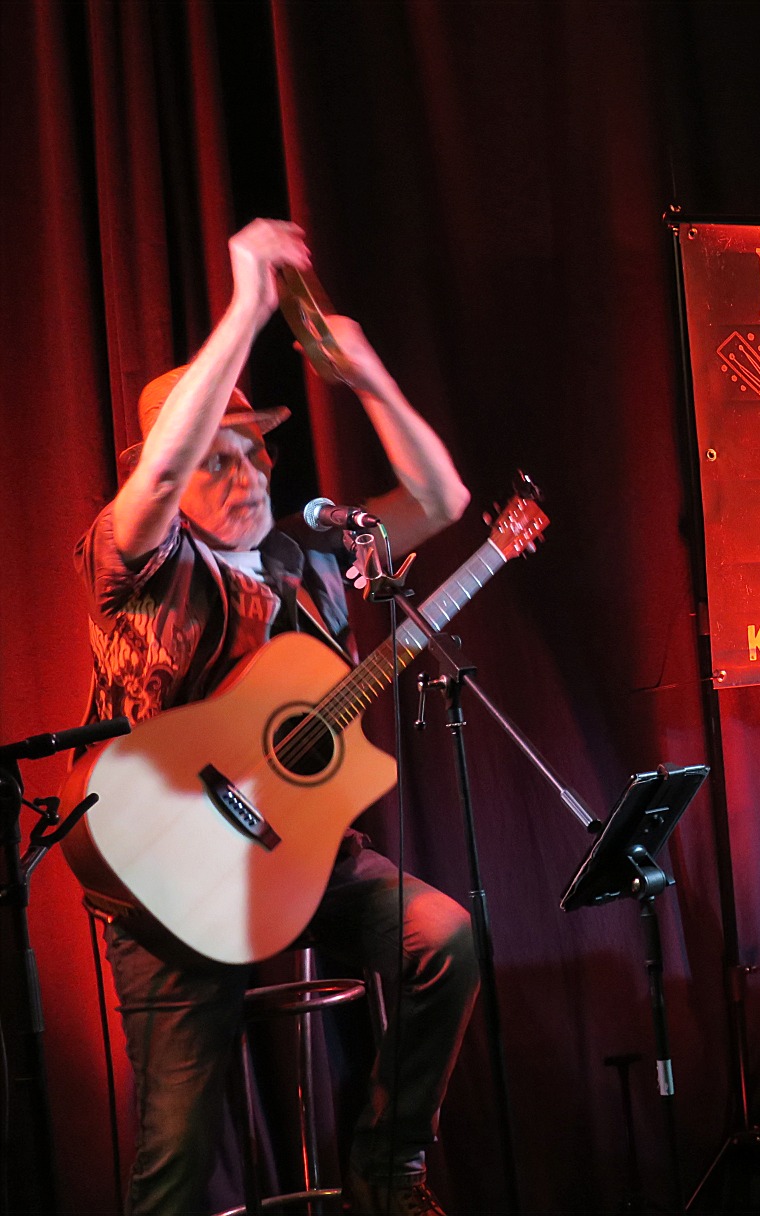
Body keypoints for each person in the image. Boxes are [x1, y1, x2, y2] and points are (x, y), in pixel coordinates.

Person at [74, 218, 478, 1216]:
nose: (248, 474)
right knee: (176, 1159)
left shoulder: (310, 556)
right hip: (169, 879)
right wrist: (250, 304)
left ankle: (388, 1166)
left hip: (297, 859)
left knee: (444, 936)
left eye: (254, 453)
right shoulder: (138, 560)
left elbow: (443, 498)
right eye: (217, 458)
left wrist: (368, 375)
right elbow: (155, 483)